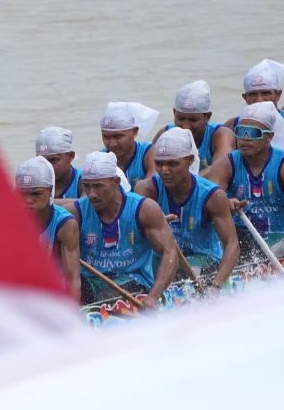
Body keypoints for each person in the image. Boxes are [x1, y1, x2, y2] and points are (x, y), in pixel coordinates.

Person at [134, 128, 240, 287]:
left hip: (204, 260)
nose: (164, 170)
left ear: (189, 160)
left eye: (172, 163)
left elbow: (232, 244)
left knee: (187, 272)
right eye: (159, 163)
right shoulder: (146, 189)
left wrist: (216, 285)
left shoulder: (213, 195)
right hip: (164, 259)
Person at [209, 101, 284, 267]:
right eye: (240, 132)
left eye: (253, 133)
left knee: (275, 249)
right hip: (242, 236)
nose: (245, 138)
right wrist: (225, 203)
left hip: (279, 236)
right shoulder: (224, 165)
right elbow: (209, 204)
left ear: (269, 136)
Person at [74, 151, 179, 306]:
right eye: (87, 186)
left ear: (116, 181)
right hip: (90, 282)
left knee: (105, 293)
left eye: (98, 186)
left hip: (133, 281)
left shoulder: (144, 209)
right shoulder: (75, 212)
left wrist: (154, 296)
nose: (92, 194)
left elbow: (170, 252)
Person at [16, 156, 81, 299]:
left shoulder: (66, 224)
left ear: (50, 190)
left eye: (36, 194)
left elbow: (72, 279)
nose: (28, 201)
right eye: (22, 194)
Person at [157, 81, 234, 173]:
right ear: (174, 113)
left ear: (207, 116)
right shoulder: (164, 134)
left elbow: (220, 170)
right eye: (181, 118)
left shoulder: (222, 135)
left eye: (193, 120)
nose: (185, 127)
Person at [228, 59, 284, 145]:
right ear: (245, 98)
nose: (259, 99)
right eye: (253, 94)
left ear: (278, 95)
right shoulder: (233, 125)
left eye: (265, 93)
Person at [100, 101, 159, 186]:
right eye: (107, 137)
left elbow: (153, 187)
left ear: (134, 132)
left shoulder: (149, 154)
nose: (112, 144)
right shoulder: (100, 159)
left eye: (118, 136)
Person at [36, 127, 82, 199]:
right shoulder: (33, 180)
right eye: (42, 161)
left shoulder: (85, 180)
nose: (47, 167)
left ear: (70, 156)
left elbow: (88, 203)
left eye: (53, 160)